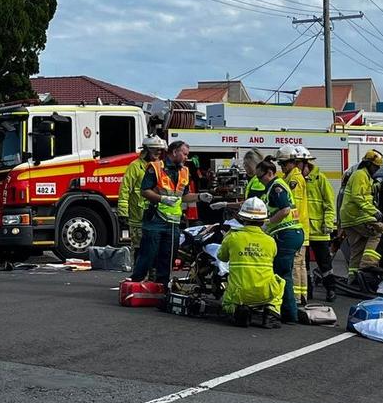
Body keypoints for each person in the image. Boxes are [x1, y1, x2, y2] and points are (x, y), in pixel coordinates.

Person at [129, 140, 209, 284]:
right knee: (148, 255)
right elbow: (144, 191)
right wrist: (162, 199)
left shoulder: (184, 171)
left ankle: (162, 285)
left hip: (173, 222)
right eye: (184, 154)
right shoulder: (155, 167)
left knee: (168, 256)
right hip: (155, 218)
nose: (186, 157)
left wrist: (199, 197)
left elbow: (183, 195)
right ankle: (135, 283)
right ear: (174, 152)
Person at [218, 197, 284, 328]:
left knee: (225, 303)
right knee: (279, 282)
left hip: (239, 294)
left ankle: (237, 311)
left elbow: (222, 257)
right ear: (263, 220)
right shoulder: (270, 241)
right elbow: (272, 258)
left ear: (242, 218)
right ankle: (271, 313)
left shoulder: (233, 238)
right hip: (264, 292)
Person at [257, 159, 305, 323]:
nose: (258, 180)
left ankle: (289, 314)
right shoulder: (271, 187)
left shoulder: (276, 187)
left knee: (282, 274)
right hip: (290, 234)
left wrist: (267, 224)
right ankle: (286, 311)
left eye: (260, 177)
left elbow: (284, 210)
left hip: (286, 234)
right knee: (282, 272)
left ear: (269, 173)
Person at [342, 149, 383, 282]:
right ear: (368, 164)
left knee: (358, 248)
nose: (377, 169)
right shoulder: (360, 175)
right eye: (375, 166)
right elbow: (358, 196)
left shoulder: (365, 177)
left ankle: (353, 279)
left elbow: (366, 190)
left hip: (349, 217)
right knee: (380, 232)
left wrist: (378, 186)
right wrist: (373, 211)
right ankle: (368, 263)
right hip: (358, 215)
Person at [300, 147, 338, 302]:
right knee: (304, 264)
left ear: (305, 164)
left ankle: (331, 289)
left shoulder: (320, 179)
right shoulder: (297, 180)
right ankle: (308, 292)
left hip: (320, 230)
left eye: (298, 164)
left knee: (325, 264)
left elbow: (329, 203)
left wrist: (328, 224)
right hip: (303, 230)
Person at [119, 136, 165, 259]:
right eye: (155, 150)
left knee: (155, 249)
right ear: (146, 150)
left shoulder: (161, 166)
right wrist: (123, 213)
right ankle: (138, 276)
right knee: (139, 249)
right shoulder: (135, 166)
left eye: (160, 150)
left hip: (157, 215)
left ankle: (153, 276)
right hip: (138, 217)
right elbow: (125, 189)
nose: (158, 152)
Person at [278, 145, 309, 304]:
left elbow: (292, 205)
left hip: (296, 227)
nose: (281, 167)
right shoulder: (291, 177)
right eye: (280, 164)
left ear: (292, 162)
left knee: (296, 264)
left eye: (283, 164)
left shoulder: (294, 179)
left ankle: (296, 298)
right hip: (301, 228)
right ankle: (302, 295)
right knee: (301, 264)